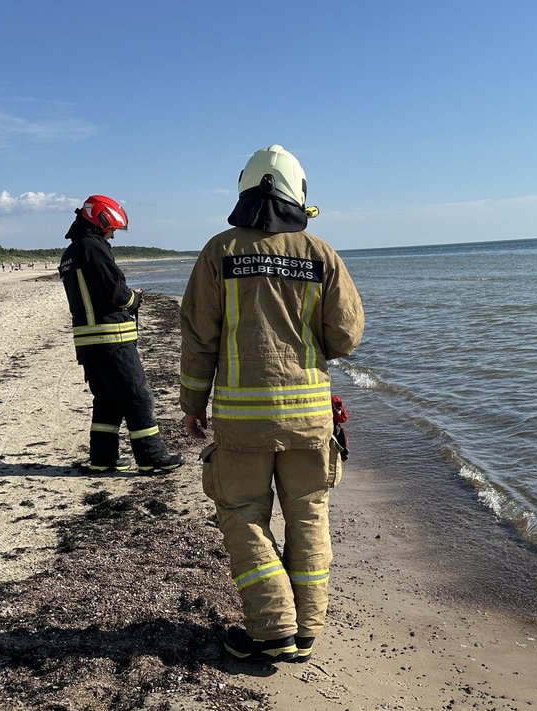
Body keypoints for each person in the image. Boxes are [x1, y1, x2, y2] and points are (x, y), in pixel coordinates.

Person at [178, 145, 364, 664]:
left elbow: (198, 337)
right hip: (309, 418)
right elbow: (346, 336)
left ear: (244, 188)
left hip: (242, 422)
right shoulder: (321, 254)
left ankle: (272, 627)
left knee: (242, 516)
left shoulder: (219, 251)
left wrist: (192, 403)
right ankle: (305, 633)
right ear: (298, 194)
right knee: (309, 515)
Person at [58, 195, 184, 474]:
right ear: (102, 220)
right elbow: (115, 293)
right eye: (112, 229)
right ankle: (151, 457)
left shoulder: (71, 252)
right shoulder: (94, 247)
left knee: (107, 400)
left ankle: (102, 458)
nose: (112, 235)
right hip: (111, 337)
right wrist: (135, 300)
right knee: (138, 396)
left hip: (88, 341)